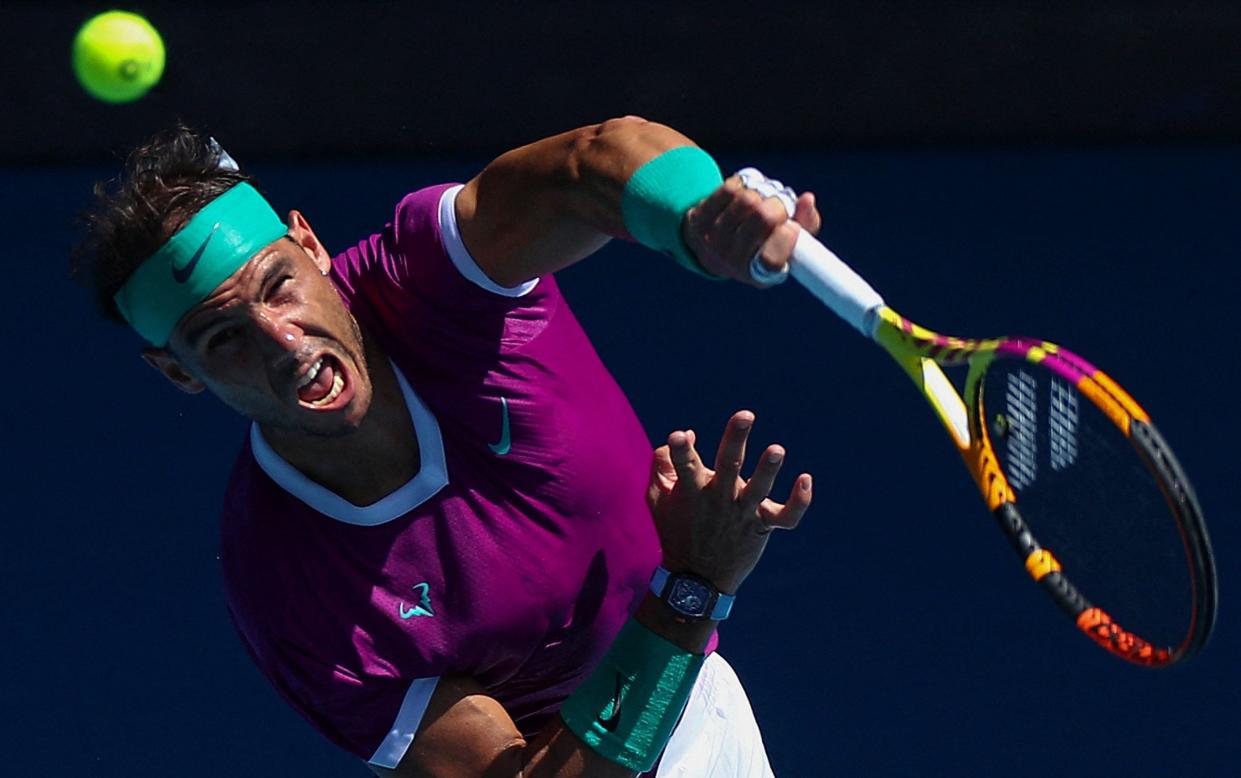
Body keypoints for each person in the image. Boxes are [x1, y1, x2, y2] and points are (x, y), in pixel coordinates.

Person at [74, 116, 821, 777]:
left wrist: (698, 218)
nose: (282, 342)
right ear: (179, 372)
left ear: (309, 243)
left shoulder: (432, 280)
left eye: (278, 286)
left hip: (696, 713)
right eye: (223, 337)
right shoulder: (287, 586)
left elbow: (589, 164)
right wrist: (691, 590)